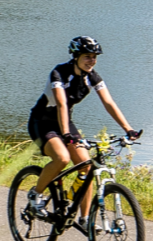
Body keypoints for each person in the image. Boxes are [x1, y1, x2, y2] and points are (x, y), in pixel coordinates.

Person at [26, 35, 140, 217]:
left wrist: (128, 129)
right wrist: (65, 134)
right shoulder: (59, 73)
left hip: (65, 123)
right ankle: (35, 194)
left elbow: (109, 103)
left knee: (86, 167)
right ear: (76, 56)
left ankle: (85, 218)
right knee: (62, 158)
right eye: (87, 56)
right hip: (42, 122)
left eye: (94, 57)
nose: (92, 61)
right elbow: (61, 103)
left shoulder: (92, 77)